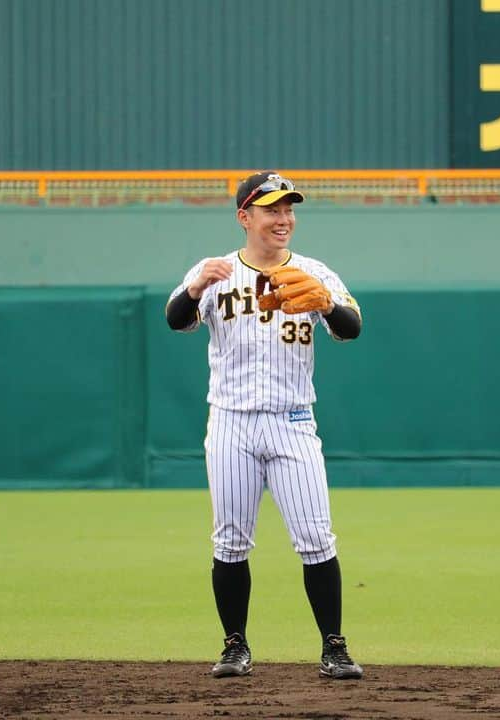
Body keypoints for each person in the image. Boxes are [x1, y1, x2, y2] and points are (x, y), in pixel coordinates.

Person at [165, 171, 365, 679]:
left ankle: (334, 647)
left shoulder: (315, 271)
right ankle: (234, 646)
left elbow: (352, 327)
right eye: (273, 209)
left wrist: (326, 302)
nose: (284, 219)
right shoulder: (215, 271)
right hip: (231, 423)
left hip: (293, 421)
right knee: (229, 541)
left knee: (317, 538)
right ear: (245, 217)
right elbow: (175, 318)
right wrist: (192, 289)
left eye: (289, 209)